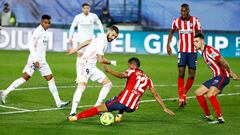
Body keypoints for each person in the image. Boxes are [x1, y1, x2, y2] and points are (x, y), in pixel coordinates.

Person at [68, 57, 175, 123]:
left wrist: (109, 70)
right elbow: (155, 94)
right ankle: (119, 115)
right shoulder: (148, 79)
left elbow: (121, 75)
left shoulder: (132, 71)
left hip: (121, 102)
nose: (127, 67)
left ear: (132, 65)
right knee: (124, 94)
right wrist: (164, 108)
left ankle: (75, 117)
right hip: (132, 108)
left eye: (128, 65)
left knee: (98, 109)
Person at [0, 15, 69, 108]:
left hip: (42, 61)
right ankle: (5, 93)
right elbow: (30, 45)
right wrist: (35, 60)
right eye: (45, 22)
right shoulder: (38, 31)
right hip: (35, 60)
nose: (47, 24)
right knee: (25, 78)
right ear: (41, 22)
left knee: (50, 79)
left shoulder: (45, 32)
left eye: (49, 23)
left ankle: (58, 102)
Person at [66, 25, 119, 116]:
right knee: (82, 86)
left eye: (115, 37)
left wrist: (76, 49)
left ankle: (96, 107)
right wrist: (111, 62)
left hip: (91, 66)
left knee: (108, 84)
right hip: (84, 64)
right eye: (112, 35)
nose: (113, 38)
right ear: (108, 31)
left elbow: (89, 41)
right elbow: (100, 59)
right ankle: (72, 112)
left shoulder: (102, 38)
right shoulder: (102, 41)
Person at [193, 33, 238, 124]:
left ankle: (220, 118)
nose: (194, 43)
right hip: (216, 77)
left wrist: (230, 72)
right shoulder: (203, 52)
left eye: (196, 41)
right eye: (194, 41)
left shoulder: (209, 50)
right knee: (198, 93)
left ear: (202, 41)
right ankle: (208, 116)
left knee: (210, 94)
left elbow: (223, 61)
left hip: (222, 76)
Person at [166, 3, 202, 107]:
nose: (183, 13)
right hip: (182, 50)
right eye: (182, 11)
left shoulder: (195, 20)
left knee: (191, 74)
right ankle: (181, 98)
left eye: (185, 11)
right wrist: (168, 44)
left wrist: (201, 45)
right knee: (181, 73)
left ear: (188, 11)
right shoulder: (176, 21)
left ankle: (183, 94)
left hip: (193, 51)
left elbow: (200, 33)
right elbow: (171, 32)